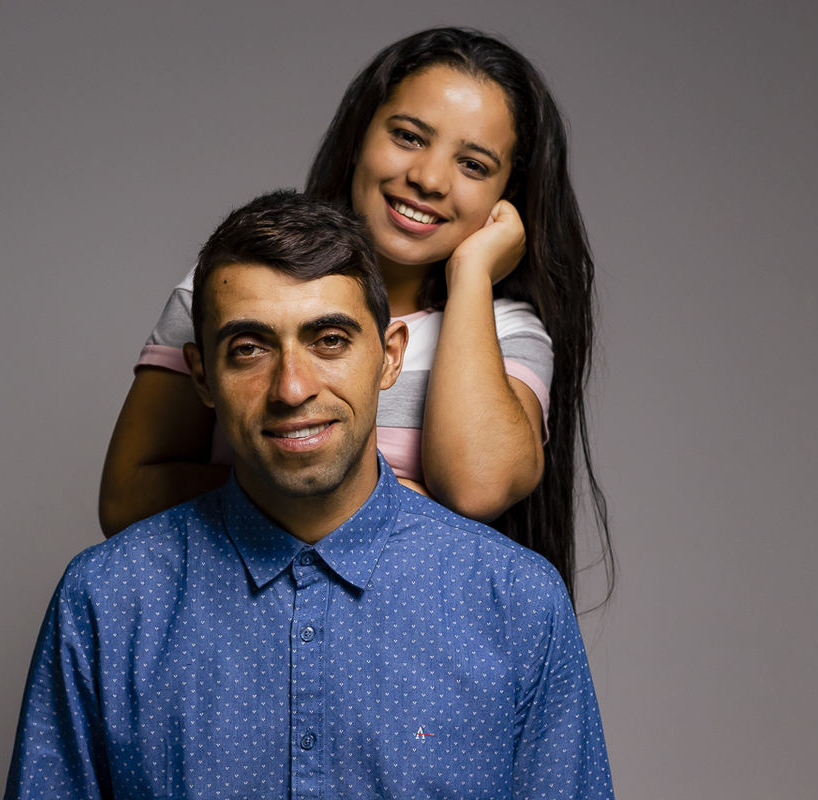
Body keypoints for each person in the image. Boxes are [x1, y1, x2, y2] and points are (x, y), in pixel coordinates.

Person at [6, 191, 614, 798]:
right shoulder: (105, 601)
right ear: (202, 376)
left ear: (389, 358)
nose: (292, 388)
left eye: (329, 340)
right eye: (249, 349)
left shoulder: (517, 602)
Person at [99, 27, 612, 607]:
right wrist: (346, 496)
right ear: (361, 134)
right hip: (225, 628)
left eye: (473, 164)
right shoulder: (228, 295)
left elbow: (477, 488)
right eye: (408, 136)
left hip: (408, 645)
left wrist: (472, 274)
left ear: (505, 193)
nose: (429, 179)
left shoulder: (506, 334)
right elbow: (125, 498)